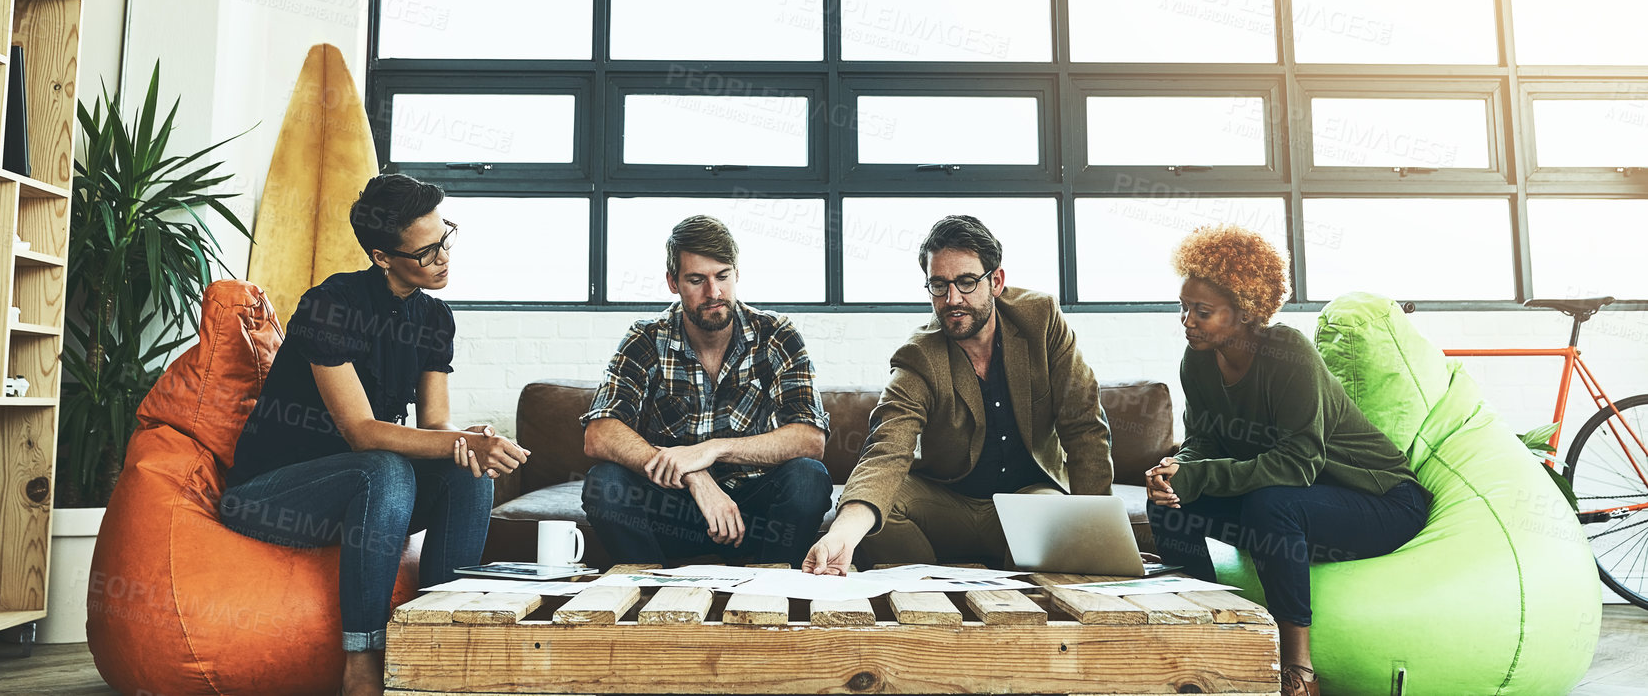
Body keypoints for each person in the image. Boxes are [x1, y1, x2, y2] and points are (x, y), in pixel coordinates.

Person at [220, 173, 526, 696]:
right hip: (274, 494)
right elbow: (362, 433)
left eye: (446, 236)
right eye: (427, 251)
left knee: (469, 473)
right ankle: (362, 657)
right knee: (382, 467)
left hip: (367, 498)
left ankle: (440, 641)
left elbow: (434, 426)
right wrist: (460, 443)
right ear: (383, 257)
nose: (444, 258)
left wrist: (467, 439)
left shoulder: (435, 318)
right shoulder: (330, 306)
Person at [1146, 225, 1432, 696]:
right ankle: (1200, 637)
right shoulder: (1196, 361)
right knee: (1171, 499)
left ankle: (1298, 672)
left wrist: (1200, 474)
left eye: (1202, 312)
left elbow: (1298, 464)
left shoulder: (1286, 353)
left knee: (1271, 502)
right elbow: (1202, 441)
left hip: (1379, 501)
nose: (1186, 321)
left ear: (1243, 311)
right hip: (1292, 507)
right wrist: (1176, 472)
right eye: (1183, 308)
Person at [804, 215, 1112, 573]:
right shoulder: (919, 355)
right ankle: (928, 595)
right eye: (939, 285)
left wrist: (1098, 533)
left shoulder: (1040, 319)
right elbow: (887, 448)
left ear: (995, 281)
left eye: (966, 282)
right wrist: (843, 532)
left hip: (1028, 499)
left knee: (1047, 516)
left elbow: (1084, 424)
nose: (952, 299)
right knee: (873, 517)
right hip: (948, 502)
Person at [580, 215, 833, 567]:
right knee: (603, 482)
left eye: (723, 276)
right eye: (697, 280)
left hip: (754, 513)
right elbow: (599, 433)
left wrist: (711, 451)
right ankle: (650, 591)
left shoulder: (775, 333)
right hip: (674, 508)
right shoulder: (646, 338)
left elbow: (810, 439)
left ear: (737, 274)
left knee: (809, 477)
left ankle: (774, 587)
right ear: (673, 282)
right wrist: (694, 474)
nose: (713, 293)